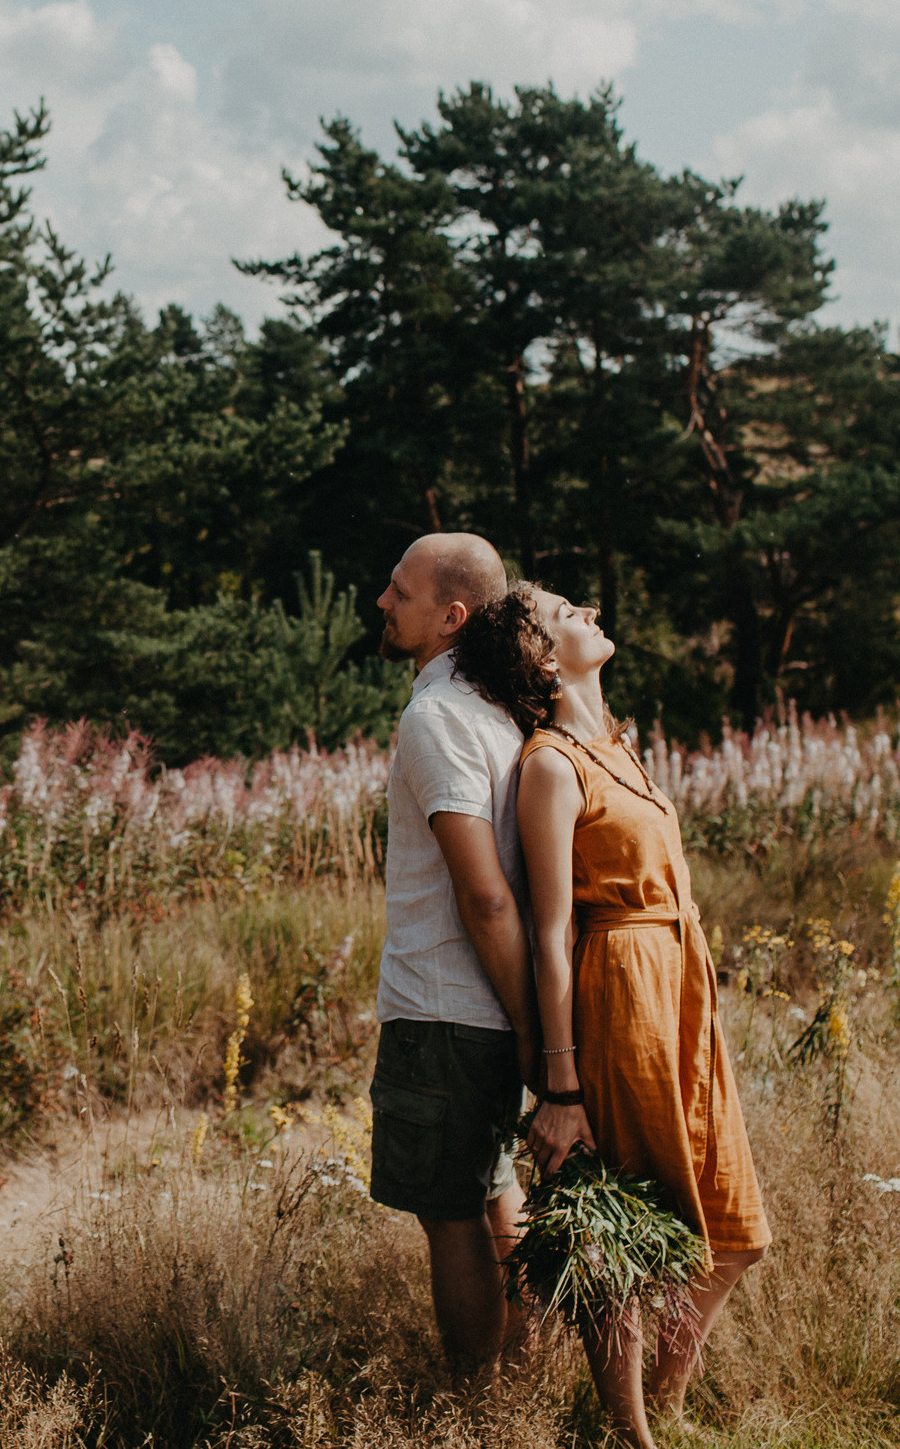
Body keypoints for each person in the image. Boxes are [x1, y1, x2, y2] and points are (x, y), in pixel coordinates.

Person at [457, 582, 770, 1447]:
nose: (590, 610)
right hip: (621, 996)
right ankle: (631, 1432)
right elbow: (550, 933)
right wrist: (562, 1087)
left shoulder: (618, 748)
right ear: (543, 658)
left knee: (733, 1230)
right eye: (567, 612)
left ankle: (663, 1404)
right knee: (620, 1228)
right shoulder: (552, 766)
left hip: (679, 991)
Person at [365, 532, 539, 1380]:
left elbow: (487, 895)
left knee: (450, 1215)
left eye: (401, 592)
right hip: (486, 1009)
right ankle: (520, 1373)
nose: (382, 601)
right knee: (493, 1188)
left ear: (451, 617)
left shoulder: (435, 718)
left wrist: (532, 1027)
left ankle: (475, 1398)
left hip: (442, 1011)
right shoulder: (499, 715)